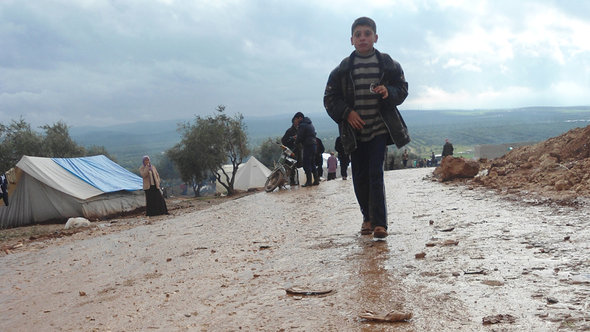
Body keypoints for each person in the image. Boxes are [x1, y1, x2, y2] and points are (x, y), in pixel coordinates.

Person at [324, 17, 409, 239]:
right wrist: (347, 113)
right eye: (358, 34)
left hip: (379, 129)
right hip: (354, 133)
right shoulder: (342, 70)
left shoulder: (388, 64)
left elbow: (402, 88)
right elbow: (329, 98)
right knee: (359, 176)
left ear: (375, 37)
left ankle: (380, 223)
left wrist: (389, 92)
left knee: (375, 174)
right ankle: (367, 218)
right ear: (351, 40)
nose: (363, 38)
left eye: (367, 33)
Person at [295, 116, 319, 187]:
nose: (296, 121)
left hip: (307, 145)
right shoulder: (310, 124)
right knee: (312, 163)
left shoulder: (302, 125)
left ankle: (309, 182)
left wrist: (296, 142)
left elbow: (300, 136)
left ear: (300, 118)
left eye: (296, 119)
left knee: (306, 163)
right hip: (314, 145)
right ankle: (316, 180)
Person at [281, 112, 304, 185]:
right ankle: (292, 182)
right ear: (295, 119)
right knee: (292, 168)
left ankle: (300, 181)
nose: (299, 122)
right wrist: (292, 138)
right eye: (298, 120)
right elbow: (284, 141)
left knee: (300, 167)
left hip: (300, 151)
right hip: (292, 152)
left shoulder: (301, 129)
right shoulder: (290, 131)